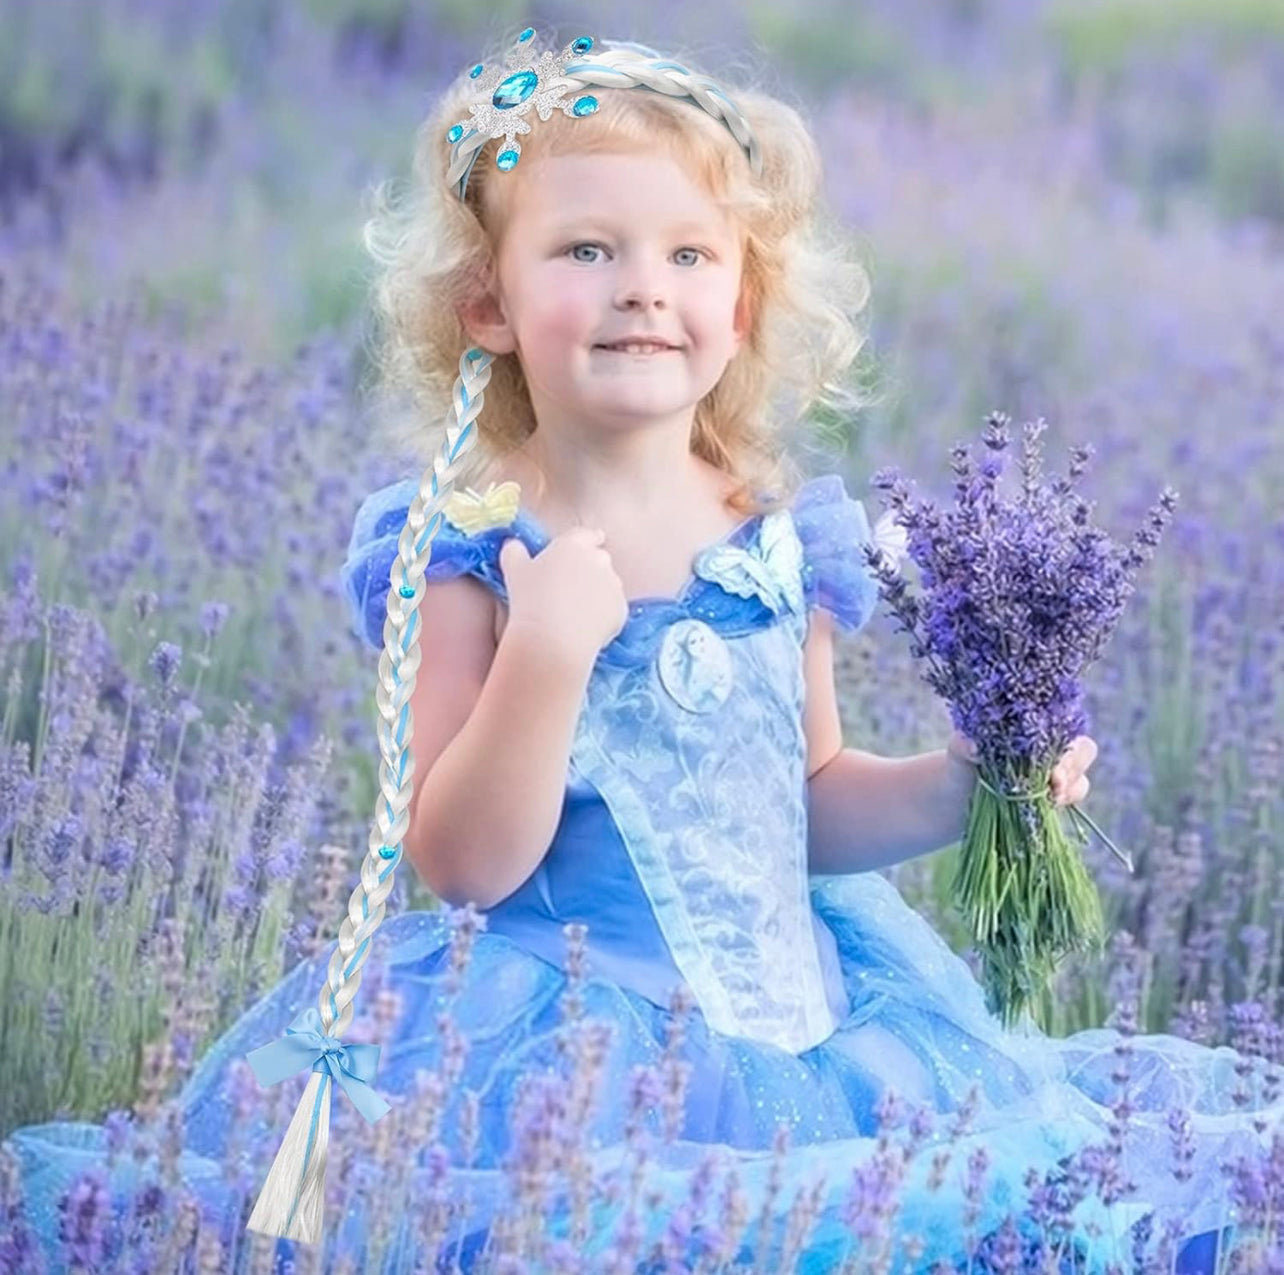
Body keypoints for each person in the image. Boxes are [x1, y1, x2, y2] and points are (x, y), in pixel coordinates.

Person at [3, 26, 1268, 1275]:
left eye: (687, 253)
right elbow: (459, 864)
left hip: (813, 1043)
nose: (641, 285)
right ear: (486, 304)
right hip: (564, 1058)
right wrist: (544, 655)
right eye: (586, 249)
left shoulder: (778, 536)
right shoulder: (468, 545)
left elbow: (807, 808)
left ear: (742, 298)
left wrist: (966, 779)